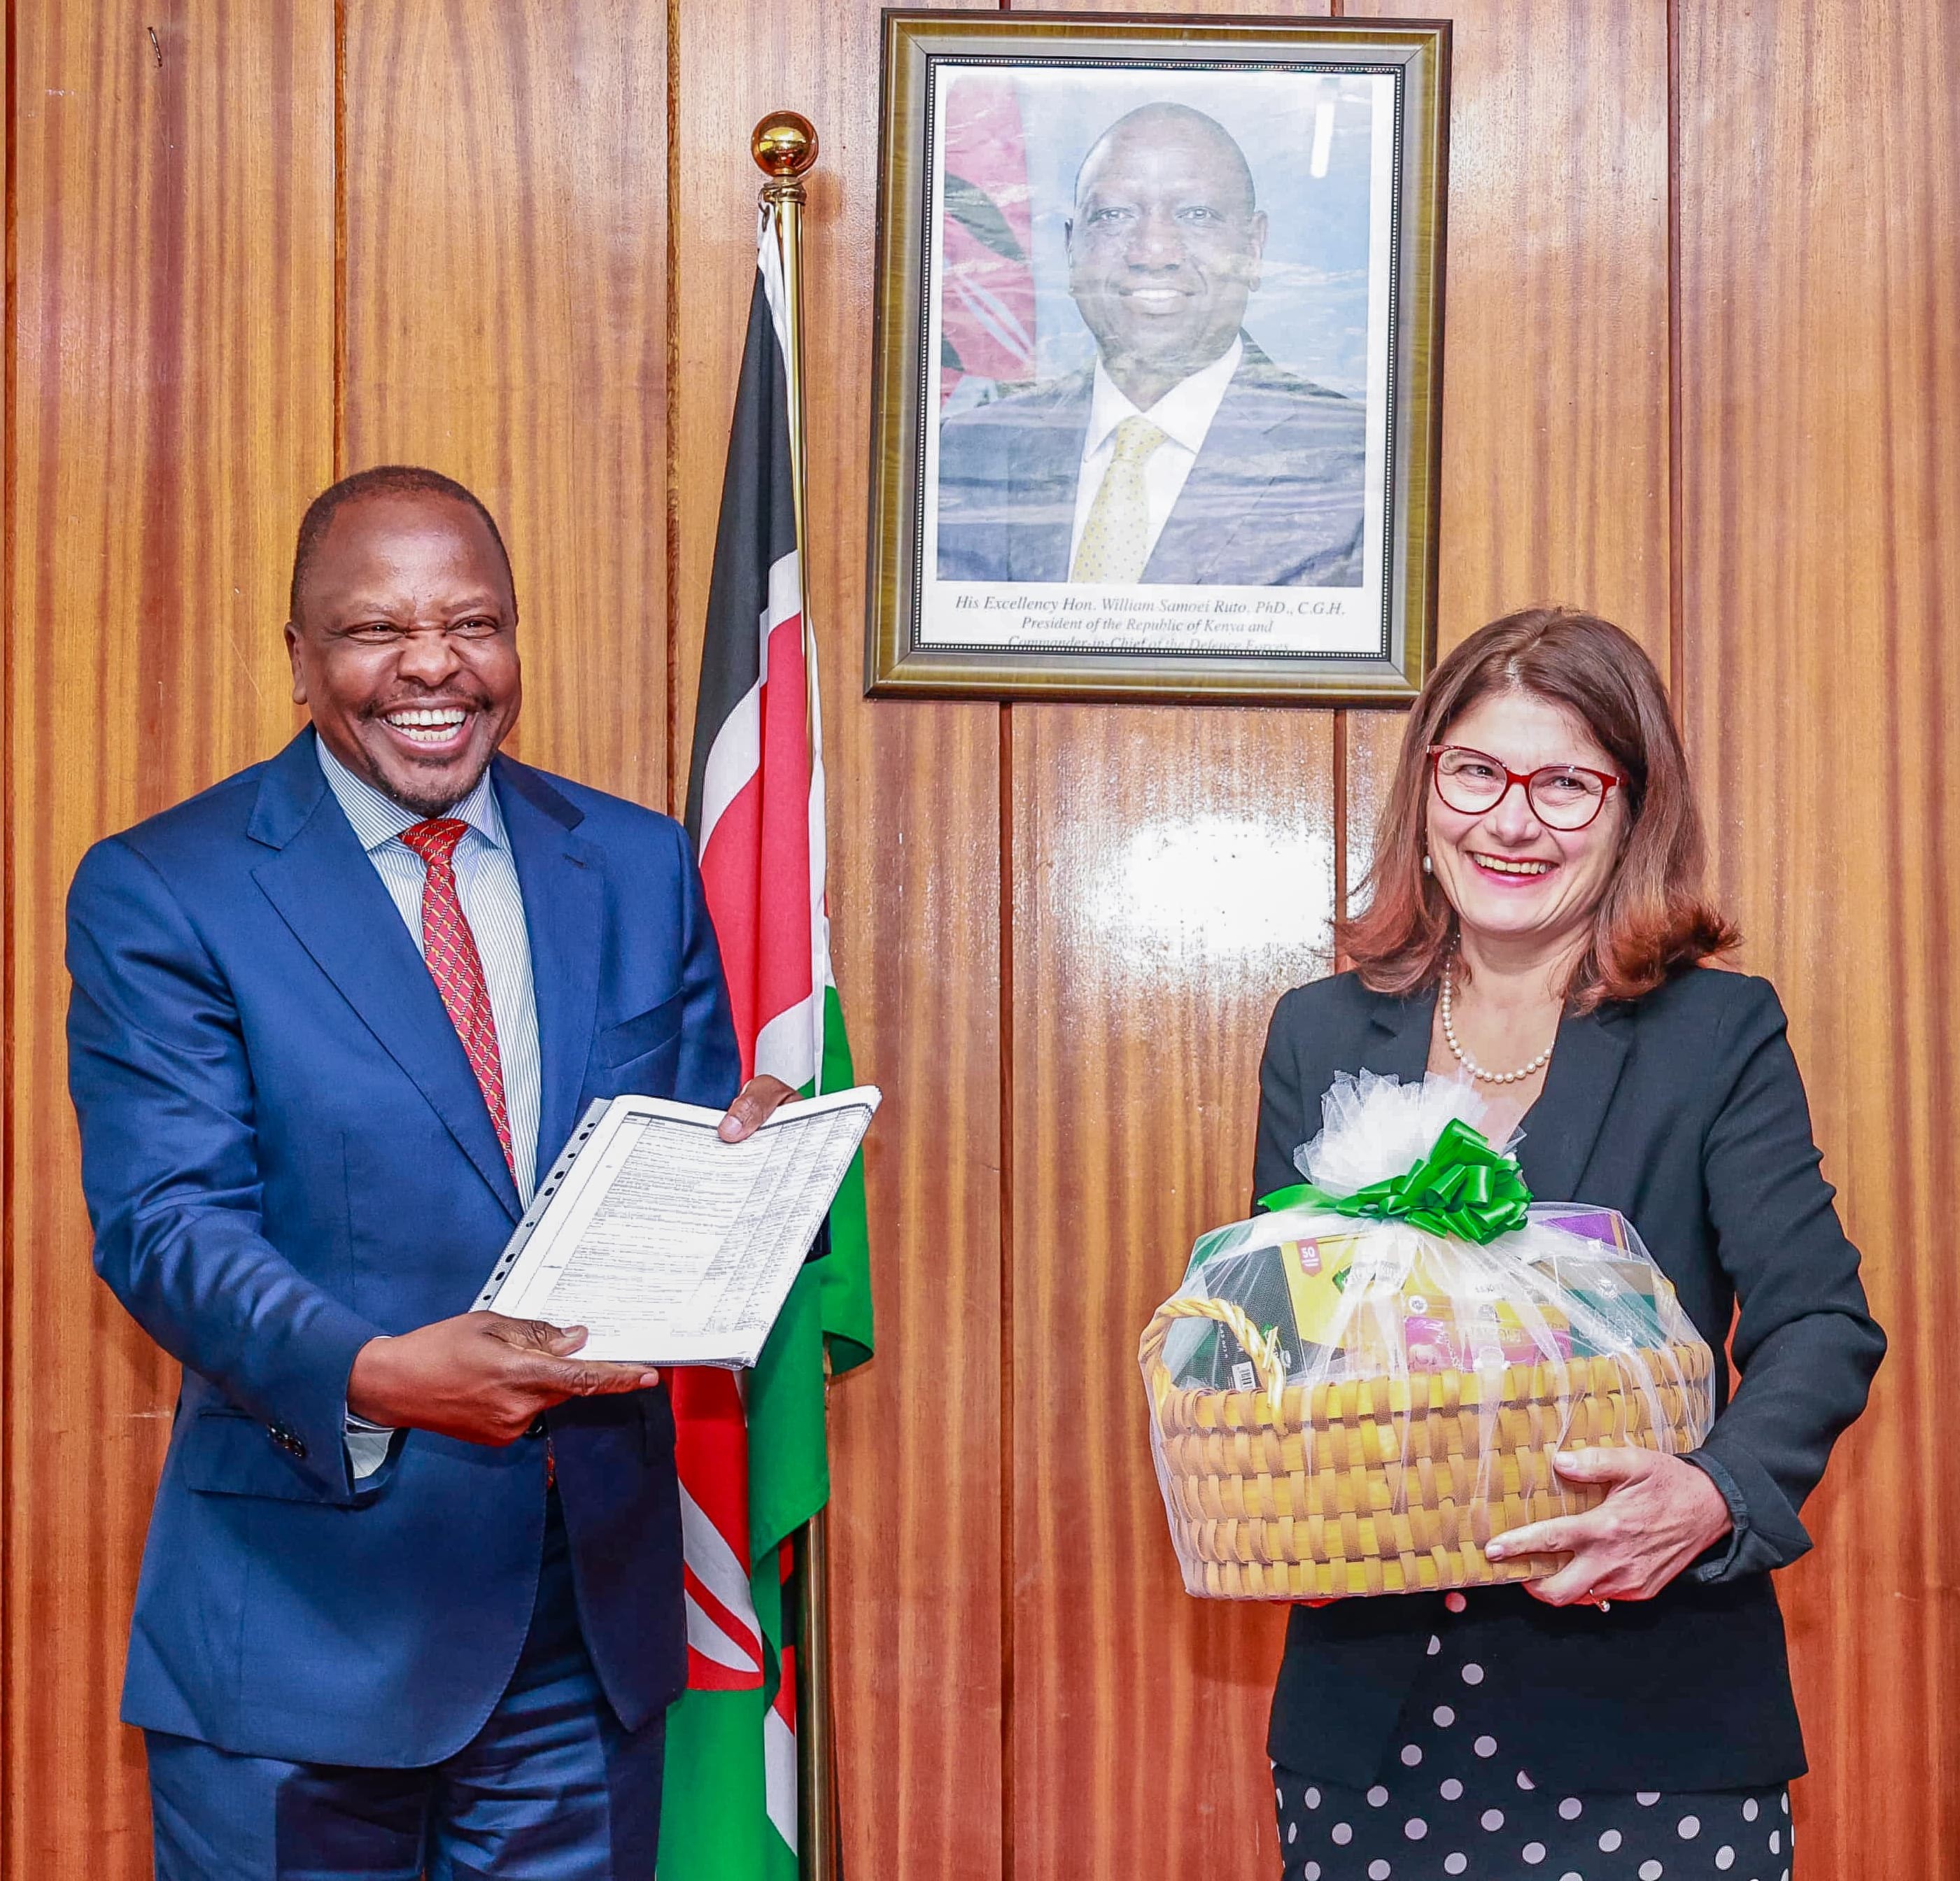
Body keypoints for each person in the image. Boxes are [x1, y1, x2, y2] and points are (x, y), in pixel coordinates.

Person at [65, 465, 794, 1878]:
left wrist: (748, 1169)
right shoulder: (167, 886)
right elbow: (165, 1224)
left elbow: (672, 1166)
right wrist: (377, 1373)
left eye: (472, 623)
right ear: (299, 657)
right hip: (298, 1641)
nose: (431, 666)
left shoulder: (637, 864)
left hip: (579, 1638)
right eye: (374, 629)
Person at [1253, 608, 1884, 1880]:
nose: (1512, 820)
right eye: (1477, 772)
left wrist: (1713, 1494)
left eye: (1565, 785)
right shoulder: (1318, 1031)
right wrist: (1281, 1490)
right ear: (1426, 788)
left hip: (1652, 1710)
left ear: (1631, 812)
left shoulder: (1715, 1034)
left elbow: (1820, 1323)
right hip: (1368, 1714)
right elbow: (1281, 1336)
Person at [936, 101, 1367, 589]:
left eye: (1197, 215)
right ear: (1071, 249)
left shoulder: (1359, 464)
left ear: (1253, 249)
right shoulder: (960, 454)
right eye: (1113, 215)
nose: (1152, 251)